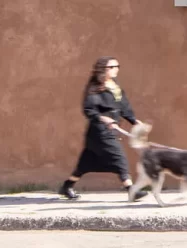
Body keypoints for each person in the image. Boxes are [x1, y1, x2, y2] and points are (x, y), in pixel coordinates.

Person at [58, 56, 149, 201]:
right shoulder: (95, 88)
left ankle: (67, 186)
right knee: (119, 158)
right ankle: (131, 190)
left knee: (85, 163)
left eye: (117, 66)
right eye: (112, 67)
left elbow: (123, 107)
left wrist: (134, 121)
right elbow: (89, 109)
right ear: (103, 69)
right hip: (99, 132)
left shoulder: (114, 85)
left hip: (110, 130)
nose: (116, 69)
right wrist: (103, 118)